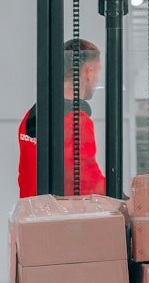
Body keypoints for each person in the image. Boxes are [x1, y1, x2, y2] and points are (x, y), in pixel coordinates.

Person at [17, 37, 105, 198]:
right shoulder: (75, 120)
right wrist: (123, 198)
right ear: (89, 72)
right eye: (98, 71)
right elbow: (86, 181)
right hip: (58, 218)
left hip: (33, 216)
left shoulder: (32, 115)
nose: (97, 79)